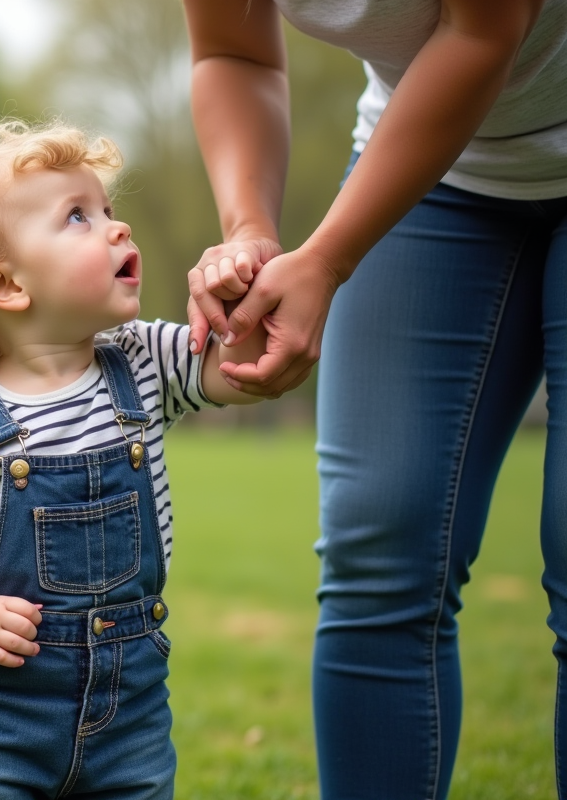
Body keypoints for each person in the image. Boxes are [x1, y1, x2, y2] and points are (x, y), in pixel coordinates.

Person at [179, 1, 567, 797]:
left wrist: (328, 257)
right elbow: (234, 52)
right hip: (441, 176)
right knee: (378, 551)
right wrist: (250, 226)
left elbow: (487, 28)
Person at [0, 117, 267, 798]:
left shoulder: (143, 359)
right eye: (78, 217)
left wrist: (238, 296)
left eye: (108, 208)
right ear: (7, 285)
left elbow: (245, 368)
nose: (117, 227)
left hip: (127, 716)